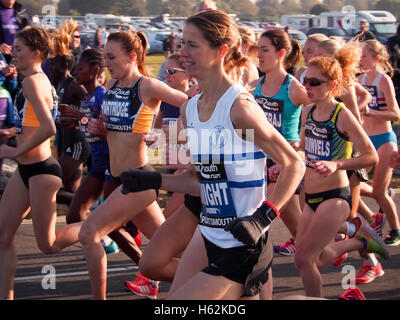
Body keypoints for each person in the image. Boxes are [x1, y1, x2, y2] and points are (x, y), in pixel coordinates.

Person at [121, 9, 305, 300]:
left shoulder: (239, 109)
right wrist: (153, 181)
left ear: (220, 51)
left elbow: (294, 163)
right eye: (182, 44)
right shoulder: (190, 108)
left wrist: (263, 217)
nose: (183, 53)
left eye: (192, 45)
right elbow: (199, 182)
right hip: (208, 233)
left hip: (244, 244)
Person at [77, 31, 188, 300]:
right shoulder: (113, 85)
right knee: (170, 252)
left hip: (139, 179)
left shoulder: (147, 86)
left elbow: (191, 105)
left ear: (132, 57)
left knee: (89, 231)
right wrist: (99, 128)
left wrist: (170, 137)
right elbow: (113, 129)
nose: (107, 63)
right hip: (121, 179)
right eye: (105, 57)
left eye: (112, 57)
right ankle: (208, 275)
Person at [294, 55, 387, 297]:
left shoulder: (341, 115)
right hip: (310, 197)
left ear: (333, 85)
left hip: (334, 197)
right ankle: (361, 239)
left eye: (315, 82)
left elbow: (371, 156)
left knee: (304, 258)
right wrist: (295, 154)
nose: (308, 87)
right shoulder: (308, 112)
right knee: (312, 257)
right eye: (306, 80)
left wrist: (337, 164)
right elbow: (304, 146)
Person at [0, 27, 82, 300]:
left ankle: (94, 227)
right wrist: (13, 134)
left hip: (42, 171)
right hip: (27, 170)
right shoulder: (37, 79)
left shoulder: (33, 81)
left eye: (19, 49)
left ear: (36, 53)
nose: (14, 54)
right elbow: (36, 122)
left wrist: (13, 151)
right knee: (3, 236)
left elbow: (48, 128)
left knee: (47, 246)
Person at [251, 29, 311, 257]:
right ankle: (352, 238)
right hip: (260, 161)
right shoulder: (255, 85)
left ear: (281, 53)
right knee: (301, 232)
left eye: (265, 50)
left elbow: (320, 113)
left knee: (256, 215)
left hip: (283, 165)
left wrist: (300, 145)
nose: (259, 55)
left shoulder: (293, 88)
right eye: (258, 50)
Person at [357, 39, 400, 247]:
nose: (360, 59)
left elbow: (395, 114)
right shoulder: (361, 79)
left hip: (384, 140)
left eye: (364, 56)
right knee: (352, 185)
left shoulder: (383, 80)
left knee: (379, 192)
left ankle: (395, 230)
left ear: (376, 58)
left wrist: (370, 111)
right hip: (366, 141)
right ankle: (374, 218)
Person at [50, 53, 89, 205]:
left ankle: (91, 210)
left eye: (55, 64)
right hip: (67, 142)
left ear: (66, 65)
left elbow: (93, 106)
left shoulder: (73, 84)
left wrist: (77, 120)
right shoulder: (58, 83)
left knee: (51, 184)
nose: (52, 67)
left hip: (78, 143)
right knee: (71, 191)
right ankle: (81, 218)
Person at [0, 51, 17, 176]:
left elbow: (11, 87)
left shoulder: (1, 57)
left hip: (4, 115)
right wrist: (2, 74)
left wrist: (12, 78)